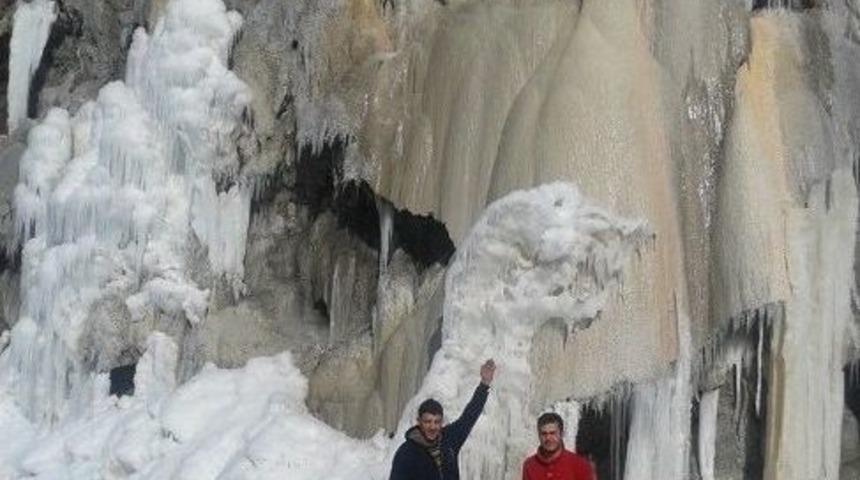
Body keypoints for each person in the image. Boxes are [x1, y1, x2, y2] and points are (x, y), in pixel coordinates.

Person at [389, 359, 496, 480]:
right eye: (428, 421)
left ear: (441, 422)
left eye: (436, 422)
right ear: (419, 422)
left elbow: (469, 417)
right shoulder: (406, 453)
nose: (432, 427)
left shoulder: (449, 439)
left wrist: (484, 383)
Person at [522, 412, 595, 480]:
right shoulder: (530, 465)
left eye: (552, 433)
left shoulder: (580, 465)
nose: (548, 438)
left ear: (561, 434)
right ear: (539, 435)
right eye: (544, 434)